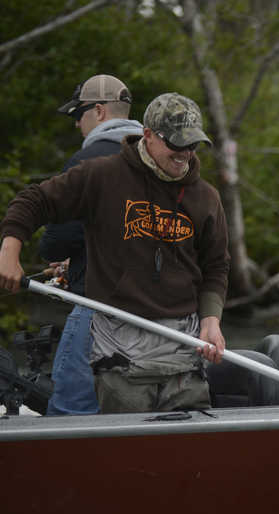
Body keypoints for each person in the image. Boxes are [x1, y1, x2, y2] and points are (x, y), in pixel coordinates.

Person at [0, 92, 230, 414]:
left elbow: (216, 267)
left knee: (188, 448)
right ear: (148, 136)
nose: (185, 155)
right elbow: (33, 202)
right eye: (176, 145)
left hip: (183, 345)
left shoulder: (206, 198)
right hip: (119, 342)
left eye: (192, 146)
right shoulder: (102, 176)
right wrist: (10, 251)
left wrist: (211, 320)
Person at [41, 74, 144, 415]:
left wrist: (65, 255)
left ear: (99, 111)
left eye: (77, 115)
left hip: (100, 309)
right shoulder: (160, 160)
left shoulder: (89, 160)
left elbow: (56, 242)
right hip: (162, 314)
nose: (76, 125)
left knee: (70, 411)